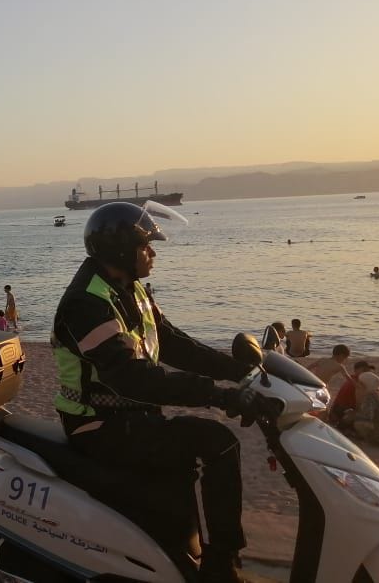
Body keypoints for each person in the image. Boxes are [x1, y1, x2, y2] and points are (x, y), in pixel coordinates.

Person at [52, 202, 254, 582]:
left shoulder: (128, 289)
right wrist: (218, 396)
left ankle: (185, 554)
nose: (153, 253)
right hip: (97, 426)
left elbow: (174, 344)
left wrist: (240, 372)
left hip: (133, 417)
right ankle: (221, 565)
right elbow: (133, 378)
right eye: (146, 246)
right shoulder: (86, 304)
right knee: (219, 443)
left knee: (187, 455)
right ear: (122, 251)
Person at [329, 361, 376, 431]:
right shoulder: (358, 383)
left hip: (337, 410)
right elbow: (359, 404)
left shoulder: (353, 379)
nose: (367, 373)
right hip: (342, 411)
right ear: (356, 370)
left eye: (368, 371)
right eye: (364, 370)